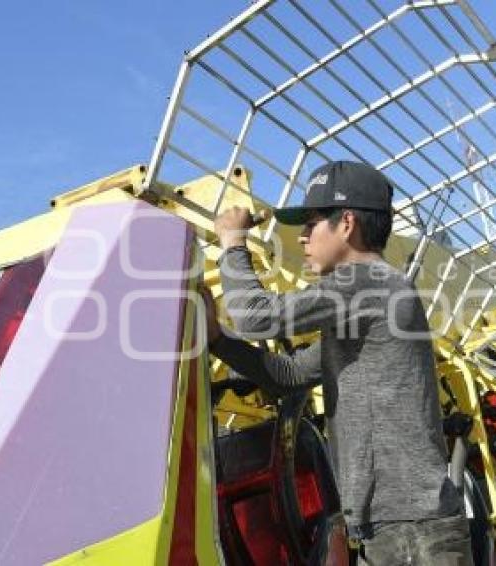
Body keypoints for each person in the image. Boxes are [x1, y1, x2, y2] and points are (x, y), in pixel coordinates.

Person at [202, 160, 473, 565]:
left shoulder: (368, 282)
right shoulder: (365, 299)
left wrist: (233, 242)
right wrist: (219, 341)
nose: (303, 237)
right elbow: (289, 375)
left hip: (413, 533)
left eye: (312, 223)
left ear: (346, 223)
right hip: (394, 530)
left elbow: (256, 316)